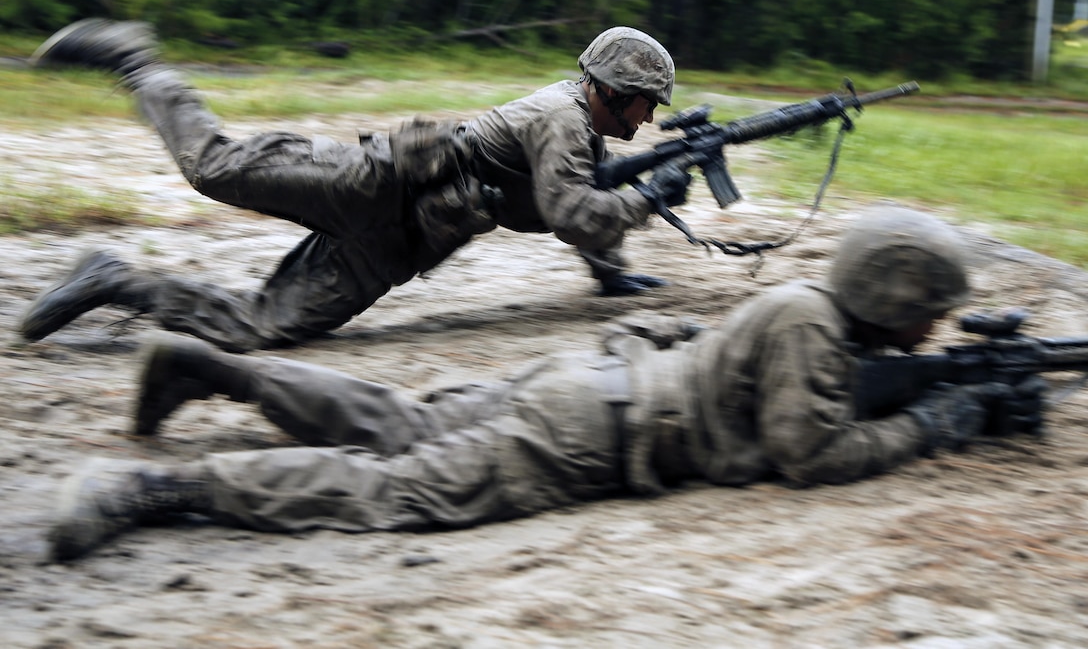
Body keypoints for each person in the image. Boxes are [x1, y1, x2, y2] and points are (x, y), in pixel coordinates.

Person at [47, 205, 1049, 562]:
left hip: (589, 380)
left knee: (397, 417)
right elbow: (806, 453)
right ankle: (147, 491)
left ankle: (211, 363)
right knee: (396, 488)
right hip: (589, 437)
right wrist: (932, 422)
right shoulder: (809, 331)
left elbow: (712, 346)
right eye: (931, 305)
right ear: (891, 291)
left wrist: (920, 390)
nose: (935, 325)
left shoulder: (798, 305)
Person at [18, 21, 692, 352]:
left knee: (262, 327)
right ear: (615, 90)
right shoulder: (562, 118)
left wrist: (609, 269)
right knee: (213, 167)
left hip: (399, 243)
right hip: (370, 186)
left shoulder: (583, 132)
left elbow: (567, 192)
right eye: (647, 102)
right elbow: (572, 209)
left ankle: (111, 280)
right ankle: (136, 60)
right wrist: (648, 199)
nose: (652, 117)